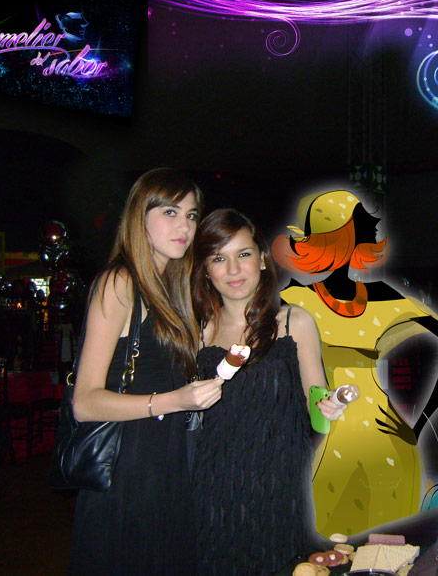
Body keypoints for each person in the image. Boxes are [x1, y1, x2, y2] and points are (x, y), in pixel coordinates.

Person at [274, 189, 438, 536]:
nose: (373, 228)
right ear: (339, 233)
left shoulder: (382, 296)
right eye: (362, 222)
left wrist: (418, 424)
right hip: (324, 436)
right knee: (329, 541)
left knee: (389, 543)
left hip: (387, 439)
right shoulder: (294, 300)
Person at [68, 168, 224, 574]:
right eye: (170, 212)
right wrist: (174, 401)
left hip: (167, 460)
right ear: (140, 216)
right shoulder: (120, 282)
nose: (184, 227)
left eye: (191, 215)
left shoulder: (171, 288)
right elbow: (84, 402)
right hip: (130, 467)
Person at [189, 208, 345, 575]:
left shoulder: (293, 322)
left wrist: (329, 406)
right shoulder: (199, 331)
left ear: (261, 259)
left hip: (281, 489)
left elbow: (316, 402)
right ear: (206, 270)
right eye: (218, 258)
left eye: (243, 254)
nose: (233, 269)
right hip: (217, 489)